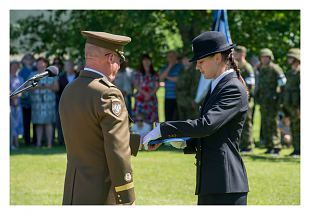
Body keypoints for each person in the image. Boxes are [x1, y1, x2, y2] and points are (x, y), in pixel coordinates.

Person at [143, 31, 249, 205]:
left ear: (217, 57)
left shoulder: (232, 88)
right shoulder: (219, 85)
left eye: (201, 61)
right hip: (213, 181)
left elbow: (207, 125)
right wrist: (186, 141)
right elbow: (215, 134)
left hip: (226, 184)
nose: (197, 67)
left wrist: (164, 129)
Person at [59, 31, 136, 205]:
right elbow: (116, 149)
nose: (118, 65)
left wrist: (139, 141)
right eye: (119, 60)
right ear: (110, 58)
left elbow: (90, 137)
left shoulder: (70, 89)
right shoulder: (107, 92)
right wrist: (126, 195)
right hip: (102, 194)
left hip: (74, 190)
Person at [256, 48, 286, 155]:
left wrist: (279, 97)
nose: (263, 59)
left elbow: (283, 83)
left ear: (270, 58)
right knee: (265, 123)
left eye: (266, 57)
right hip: (264, 101)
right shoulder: (261, 69)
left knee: (273, 123)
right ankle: (269, 146)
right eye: (262, 57)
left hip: (273, 101)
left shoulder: (275, 68)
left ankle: (276, 146)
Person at [29, 57, 58, 148]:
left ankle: (49, 144)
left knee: (48, 123)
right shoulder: (33, 75)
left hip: (49, 103)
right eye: (38, 64)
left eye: (42, 63)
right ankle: (38, 143)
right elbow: (29, 88)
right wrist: (44, 86)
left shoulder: (52, 75)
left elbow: (56, 88)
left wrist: (44, 86)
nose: (40, 65)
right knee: (38, 123)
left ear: (46, 64)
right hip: (37, 104)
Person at [234, 46, 255, 152]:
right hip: (238, 99)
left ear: (242, 54)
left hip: (246, 100)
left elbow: (250, 85)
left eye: (236, 53)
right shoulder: (236, 67)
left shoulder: (247, 67)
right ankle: (242, 144)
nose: (234, 55)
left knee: (247, 123)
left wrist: (245, 97)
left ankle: (248, 145)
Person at [55, 59, 78, 145]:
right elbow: (57, 90)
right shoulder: (61, 77)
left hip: (76, 105)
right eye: (66, 66)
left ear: (73, 66)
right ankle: (62, 141)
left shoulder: (79, 76)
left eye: (69, 65)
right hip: (63, 105)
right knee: (63, 123)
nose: (67, 67)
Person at [282, 48, 300, 156]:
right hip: (290, 106)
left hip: (297, 106)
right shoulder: (289, 73)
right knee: (294, 127)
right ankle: (296, 149)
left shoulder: (300, 73)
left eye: (291, 57)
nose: (289, 59)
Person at [133, 54, 159, 124]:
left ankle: (151, 134)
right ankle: (140, 135)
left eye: (148, 60)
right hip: (140, 99)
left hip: (151, 99)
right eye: (144, 60)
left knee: (151, 120)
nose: (146, 61)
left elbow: (157, 86)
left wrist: (150, 95)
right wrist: (145, 94)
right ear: (142, 62)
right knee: (140, 120)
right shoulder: (138, 73)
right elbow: (136, 85)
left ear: (150, 61)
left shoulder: (154, 73)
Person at [159, 50, 183, 121]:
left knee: (178, 119)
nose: (171, 58)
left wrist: (166, 77)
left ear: (176, 57)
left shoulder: (180, 67)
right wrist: (169, 66)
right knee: (168, 119)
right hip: (168, 97)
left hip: (179, 97)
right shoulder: (164, 68)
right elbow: (160, 79)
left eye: (173, 56)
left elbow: (178, 79)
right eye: (169, 56)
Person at [176, 54, 200, 120]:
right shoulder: (182, 70)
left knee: (192, 122)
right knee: (182, 123)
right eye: (183, 59)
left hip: (190, 102)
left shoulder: (195, 71)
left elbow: (195, 86)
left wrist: (193, 99)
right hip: (181, 100)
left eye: (186, 59)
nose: (184, 61)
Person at [19, 53, 35, 146]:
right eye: (27, 58)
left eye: (30, 58)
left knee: (35, 121)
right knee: (26, 121)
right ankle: (27, 140)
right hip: (25, 101)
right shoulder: (22, 72)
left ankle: (35, 140)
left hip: (35, 100)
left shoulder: (35, 70)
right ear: (23, 60)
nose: (29, 60)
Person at [10, 60, 24, 150]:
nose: (15, 68)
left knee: (17, 124)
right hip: (9, 105)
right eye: (13, 66)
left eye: (17, 67)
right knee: (11, 125)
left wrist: (16, 96)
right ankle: (11, 144)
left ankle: (16, 144)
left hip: (18, 105)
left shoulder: (20, 78)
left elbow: (22, 91)